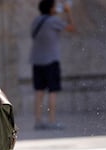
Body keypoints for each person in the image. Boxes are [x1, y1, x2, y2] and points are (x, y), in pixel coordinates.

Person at [29, 0, 75, 130]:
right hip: (50, 60)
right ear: (50, 9)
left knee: (38, 91)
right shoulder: (54, 21)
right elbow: (72, 28)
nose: (56, 8)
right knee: (52, 91)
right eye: (54, 6)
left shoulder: (36, 21)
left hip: (36, 60)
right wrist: (68, 12)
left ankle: (37, 121)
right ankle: (51, 121)